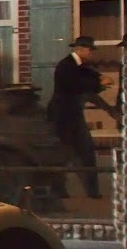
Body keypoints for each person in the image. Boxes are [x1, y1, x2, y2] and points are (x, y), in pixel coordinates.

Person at [46, 36, 111, 198]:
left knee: (72, 153)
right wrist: (100, 84)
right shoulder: (66, 66)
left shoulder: (77, 65)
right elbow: (77, 84)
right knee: (70, 152)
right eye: (90, 50)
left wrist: (100, 77)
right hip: (63, 116)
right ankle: (68, 189)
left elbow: (87, 74)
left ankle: (84, 190)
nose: (91, 53)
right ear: (80, 49)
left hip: (71, 116)